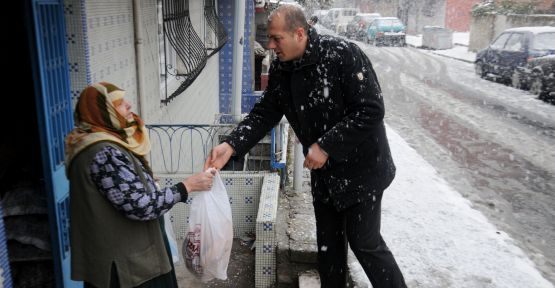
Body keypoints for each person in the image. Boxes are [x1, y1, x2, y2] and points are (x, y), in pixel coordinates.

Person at [205, 5, 406, 288]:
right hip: (325, 174)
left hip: (363, 170)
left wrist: (326, 146)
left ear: (299, 33)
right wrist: (232, 144)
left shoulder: (342, 55)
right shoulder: (282, 67)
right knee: (329, 250)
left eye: (276, 39)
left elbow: (371, 110)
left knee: (365, 243)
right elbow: (267, 111)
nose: (270, 46)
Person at [65, 82, 216, 288]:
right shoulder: (103, 151)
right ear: (101, 112)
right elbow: (140, 206)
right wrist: (186, 186)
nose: (128, 105)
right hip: (130, 269)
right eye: (119, 103)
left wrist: (145, 183)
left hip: (130, 263)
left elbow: (120, 191)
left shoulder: (100, 142)